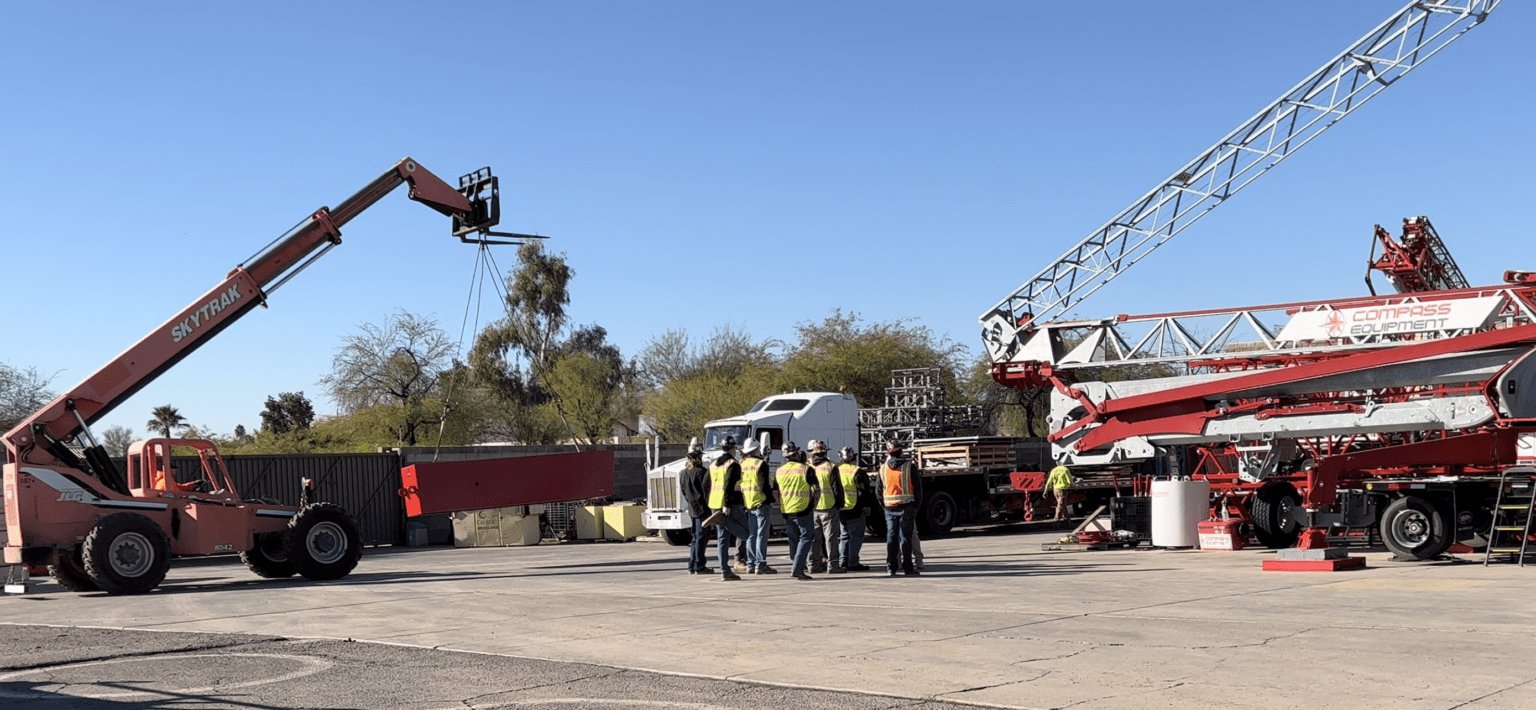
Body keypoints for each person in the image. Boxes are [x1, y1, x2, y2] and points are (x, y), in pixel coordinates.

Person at [704, 437, 753, 580]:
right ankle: (724, 521)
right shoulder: (733, 464)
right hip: (731, 504)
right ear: (733, 449)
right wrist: (726, 504)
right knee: (746, 533)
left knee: (722, 540)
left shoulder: (713, 465)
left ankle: (724, 570)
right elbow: (729, 485)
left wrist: (709, 500)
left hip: (715, 504)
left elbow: (705, 484)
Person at [771, 440, 820, 580]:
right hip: (803, 509)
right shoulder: (806, 469)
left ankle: (796, 565)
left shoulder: (779, 471)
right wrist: (814, 505)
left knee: (793, 539)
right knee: (807, 537)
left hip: (786, 510)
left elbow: (775, 492)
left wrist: (782, 504)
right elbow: (816, 489)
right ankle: (797, 569)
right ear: (797, 453)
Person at [878, 441, 922, 577]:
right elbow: (918, 489)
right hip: (907, 506)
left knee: (891, 538)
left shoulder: (883, 468)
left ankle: (891, 568)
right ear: (901, 451)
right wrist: (916, 506)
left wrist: (884, 506)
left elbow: (878, 490)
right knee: (906, 539)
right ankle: (908, 568)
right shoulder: (909, 466)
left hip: (889, 508)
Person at [738, 438, 777, 575]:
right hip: (761, 503)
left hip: (749, 504)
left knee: (752, 535)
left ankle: (750, 564)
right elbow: (764, 485)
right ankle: (760, 564)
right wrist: (771, 499)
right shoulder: (761, 464)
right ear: (756, 449)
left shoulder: (741, 464)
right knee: (762, 535)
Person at [806, 440, 845, 574]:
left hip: (812, 508)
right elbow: (837, 488)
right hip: (829, 507)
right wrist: (840, 504)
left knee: (814, 539)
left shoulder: (807, 467)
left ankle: (812, 564)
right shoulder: (831, 467)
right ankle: (833, 565)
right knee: (831, 538)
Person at [677, 438, 713, 575]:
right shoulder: (702, 473)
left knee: (695, 537)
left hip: (692, 509)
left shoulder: (683, 473)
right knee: (701, 538)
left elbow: (684, 492)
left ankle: (692, 565)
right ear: (698, 457)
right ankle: (699, 565)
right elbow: (707, 492)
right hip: (703, 509)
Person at [836, 446, 874, 571]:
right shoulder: (857, 471)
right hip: (855, 508)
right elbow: (865, 491)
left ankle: (843, 561)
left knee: (844, 536)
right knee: (856, 537)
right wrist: (867, 506)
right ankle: (853, 562)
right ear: (853, 458)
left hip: (841, 508)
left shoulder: (837, 470)